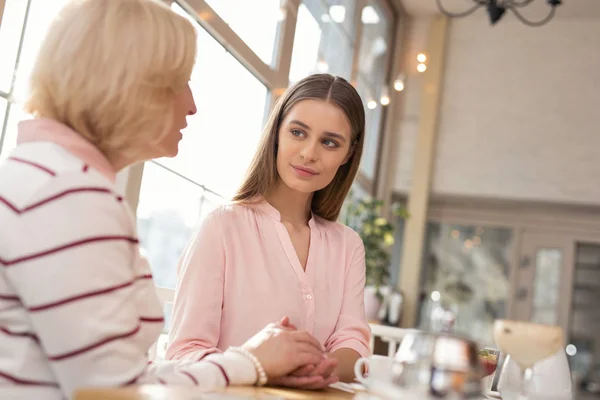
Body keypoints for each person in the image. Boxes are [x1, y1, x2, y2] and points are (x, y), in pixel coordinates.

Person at [0, 1, 324, 399]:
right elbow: (112, 391)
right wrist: (250, 362)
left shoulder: (49, 178)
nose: (192, 104)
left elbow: (115, 371)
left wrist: (251, 359)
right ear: (129, 85)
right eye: (180, 83)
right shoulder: (67, 196)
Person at [167, 73, 372, 388]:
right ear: (277, 133)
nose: (308, 153)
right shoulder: (222, 228)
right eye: (297, 132)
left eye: (329, 142)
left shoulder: (348, 246)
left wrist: (319, 368)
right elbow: (183, 352)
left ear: (348, 153)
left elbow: (353, 342)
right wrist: (258, 365)